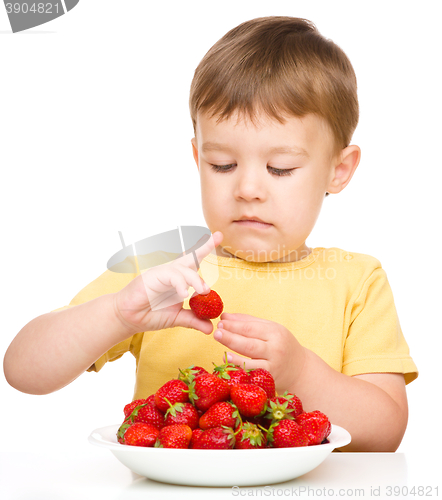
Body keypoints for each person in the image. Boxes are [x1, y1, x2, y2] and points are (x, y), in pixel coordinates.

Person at [3, 16, 417, 452]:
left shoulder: (357, 280)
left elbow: (386, 432)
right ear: (198, 157)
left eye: (280, 168)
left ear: (338, 170)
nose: (248, 190)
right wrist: (117, 316)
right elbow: (22, 370)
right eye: (223, 164)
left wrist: (299, 373)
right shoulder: (165, 269)